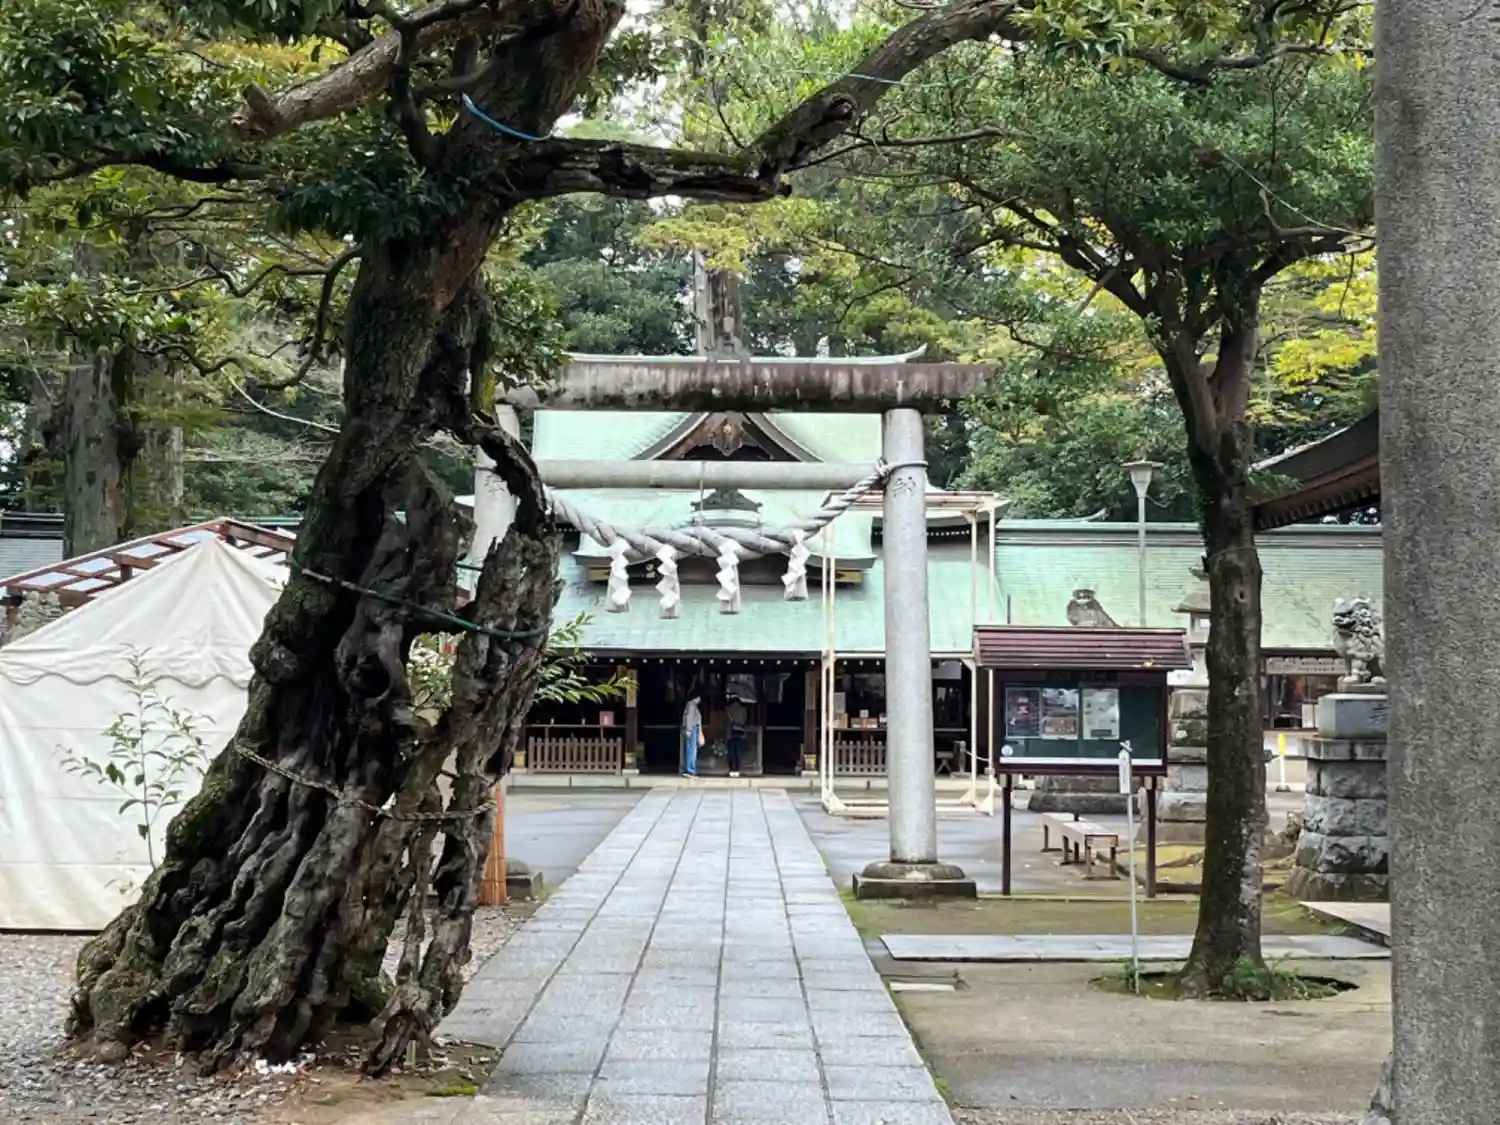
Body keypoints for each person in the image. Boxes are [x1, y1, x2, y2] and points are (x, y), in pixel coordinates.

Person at [725, 694, 748, 779]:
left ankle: (731, 769)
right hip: (740, 732)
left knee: (731, 752)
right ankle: (737, 769)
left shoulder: (728, 709)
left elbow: (726, 721)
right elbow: (744, 720)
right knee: (738, 752)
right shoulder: (743, 709)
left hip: (730, 732)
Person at [681, 695, 702, 778]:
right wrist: (689, 729)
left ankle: (690, 769)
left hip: (693, 728)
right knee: (691, 749)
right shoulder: (691, 705)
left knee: (691, 749)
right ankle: (690, 770)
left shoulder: (693, 705)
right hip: (692, 728)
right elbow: (689, 717)